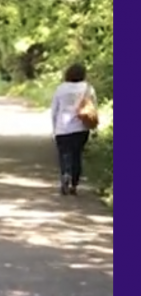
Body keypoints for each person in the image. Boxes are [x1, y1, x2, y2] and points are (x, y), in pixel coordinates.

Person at [50, 63, 97, 196]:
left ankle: (65, 174)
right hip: (81, 128)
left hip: (62, 128)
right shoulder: (88, 88)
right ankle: (74, 184)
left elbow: (54, 110)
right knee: (77, 155)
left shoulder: (61, 89)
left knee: (64, 155)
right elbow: (93, 108)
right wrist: (94, 127)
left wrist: (54, 128)